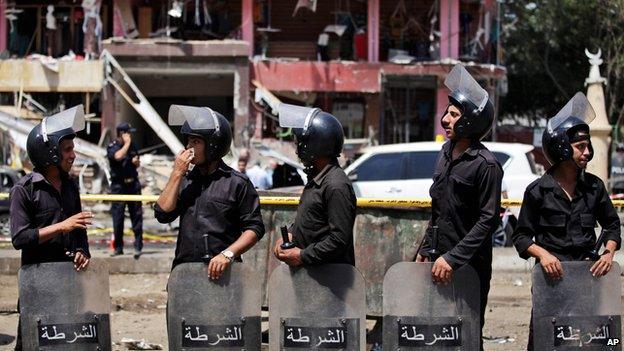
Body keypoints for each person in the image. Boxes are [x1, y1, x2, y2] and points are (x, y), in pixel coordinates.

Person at [511, 92, 620, 351]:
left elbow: (612, 226)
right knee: (545, 342)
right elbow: (521, 237)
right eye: (580, 146)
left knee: (587, 343)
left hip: (587, 282)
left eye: (588, 145)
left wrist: (608, 252)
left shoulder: (595, 187)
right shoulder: (538, 190)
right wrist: (544, 255)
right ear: (562, 147)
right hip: (551, 284)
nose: (587, 152)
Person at [416, 64, 503, 350]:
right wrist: (425, 249)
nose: (445, 120)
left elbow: (487, 221)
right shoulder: (444, 153)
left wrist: (453, 259)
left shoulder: (486, 165)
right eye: (447, 113)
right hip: (437, 261)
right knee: (437, 333)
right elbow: (437, 210)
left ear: (470, 121)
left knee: (466, 335)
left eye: (454, 115)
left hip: (469, 267)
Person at [10, 105, 93, 350]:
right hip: (37, 288)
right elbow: (20, 238)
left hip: (69, 286)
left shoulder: (71, 186)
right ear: (49, 153)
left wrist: (82, 251)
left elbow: (79, 231)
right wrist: (61, 227)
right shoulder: (24, 190)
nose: (73, 155)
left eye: (73, 149)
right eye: (67, 149)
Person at [155, 105, 265, 279]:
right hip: (185, 273)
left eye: (196, 142)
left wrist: (228, 254)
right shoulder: (185, 180)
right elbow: (162, 214)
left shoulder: (237, 183)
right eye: (188, 141)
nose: (188, 149)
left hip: (223, 276)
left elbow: (254, 228)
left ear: (214, 145)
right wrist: (177, 173)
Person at [273, 104, 356, 266]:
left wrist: (302, 255)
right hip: (312, 279)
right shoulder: (317, 179)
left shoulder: (336, 185)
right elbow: (314, 222)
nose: (297, 151)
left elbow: (338, 240)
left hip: (330, 282)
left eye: (300, 144)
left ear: (313, 145)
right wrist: (291, 234)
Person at [107, 122, 143, 258]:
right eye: (129, 132)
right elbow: (117, 156)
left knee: (137, 217)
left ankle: (138, 247)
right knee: (118, 218)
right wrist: (127, 144)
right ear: (122, 134)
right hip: (118, 187)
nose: (131, 135)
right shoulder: (113, 146)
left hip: (133, 185)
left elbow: (136, 161)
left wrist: (136, 162)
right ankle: (118, 248)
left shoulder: (133, 146)